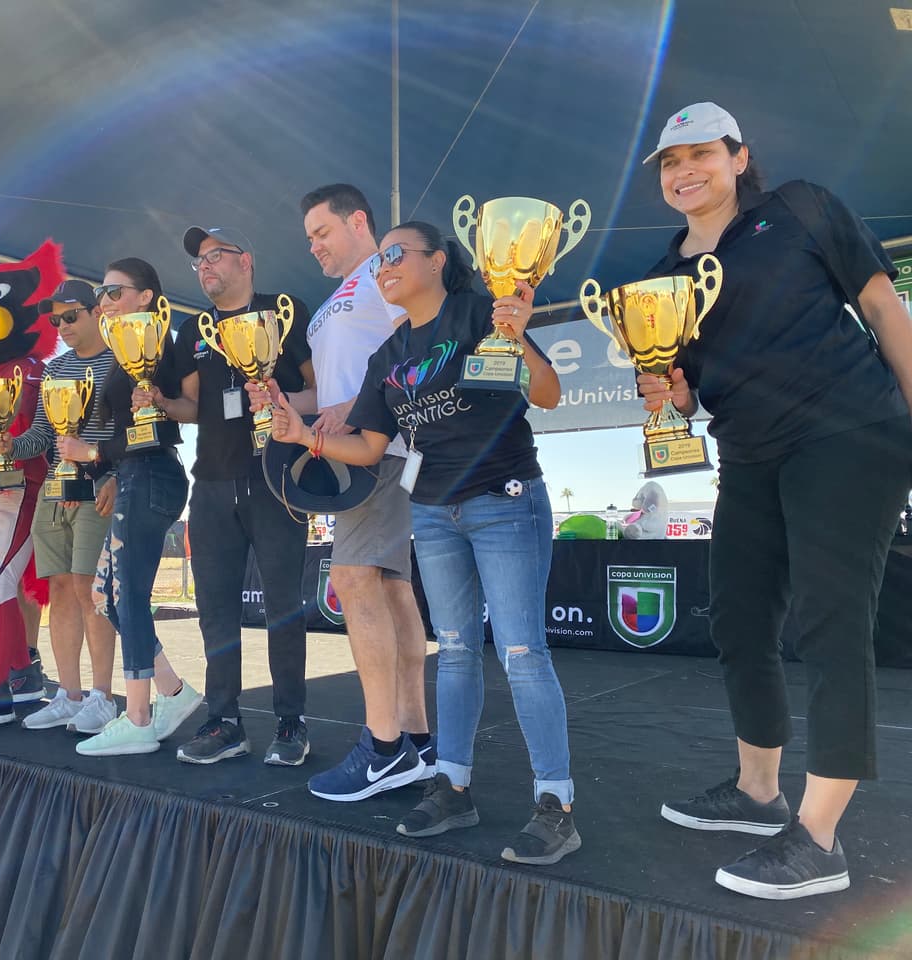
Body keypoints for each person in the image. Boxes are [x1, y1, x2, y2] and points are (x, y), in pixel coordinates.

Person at [637, 102, 912, 899]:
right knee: (738, 616)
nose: (684, 172)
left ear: (738, 156)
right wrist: (669, 393)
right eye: (669, 162)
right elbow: (684, 401)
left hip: (850, 434)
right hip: (749, 452)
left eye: (701, 155)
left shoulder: (800, 207)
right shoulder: (664, 274)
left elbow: (884, 310)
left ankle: (819, 839)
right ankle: (759, 792)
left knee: (831, 623)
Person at [271, 220, 580, 863]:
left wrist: (519, 337)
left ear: (438, 261)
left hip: (505, 501)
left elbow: (548, 396)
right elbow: (369, 448)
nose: (381, 265)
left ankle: (556, 804)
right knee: (459, 651)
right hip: (434, 513)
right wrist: (306, 438)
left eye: (393, 254)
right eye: (377, 257)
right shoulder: (389, 353)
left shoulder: (478, 312)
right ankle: (453, 787)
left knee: (522, 652)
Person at [148, 225, 315, 766]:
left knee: (284, 608)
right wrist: (157, 401)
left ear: (245, 259)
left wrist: (279, 395)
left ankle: (291, 722)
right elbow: (191, 407)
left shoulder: (285, 311)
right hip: (214, 482)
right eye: (198, 261)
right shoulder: (193, 329)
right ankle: (224, 722)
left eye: (213, 256)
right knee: (214, 610)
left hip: (277, 478)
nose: (204, 267)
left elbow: (325, 390)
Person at [295, 184, 432, 799]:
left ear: (358, 221)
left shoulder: (384, 270)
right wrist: (280, 403)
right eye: (309, 239)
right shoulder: (335, 299)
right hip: (361, 456)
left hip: (384, 452)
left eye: (321, 232)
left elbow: (423, 346)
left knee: (352, 581)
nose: (314, 246)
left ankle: (383, 750)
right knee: (391, 588)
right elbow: (330, 395)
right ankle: (415, 740)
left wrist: (360, 404)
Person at [75, 257, 202, 756]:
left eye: (113, 291)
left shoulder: (166, 345)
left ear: (146, 296)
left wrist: (161, 403)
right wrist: (97, 459)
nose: (103, 301)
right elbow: (121, 434)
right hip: (131, 473)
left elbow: (194, 410)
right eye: (101, 293)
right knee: (106, 596)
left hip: (154, 474)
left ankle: (138, 716)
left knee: (125, 595)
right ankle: (173, 691)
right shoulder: (115, 354)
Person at [0, 279, 120, 735]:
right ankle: (69, 695)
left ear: (95, 312)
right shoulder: (55, 369)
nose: (62, 325)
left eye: (71, 316)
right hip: (54, 487)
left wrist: (115, 474)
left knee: (90, 589)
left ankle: (103, 698)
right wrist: (8, 445)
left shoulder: (124, 359)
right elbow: (44, 436)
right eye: (56, 319)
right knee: (59, 590)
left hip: (98, 485)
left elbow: (135, 432)